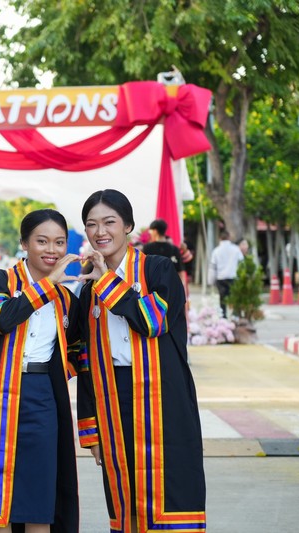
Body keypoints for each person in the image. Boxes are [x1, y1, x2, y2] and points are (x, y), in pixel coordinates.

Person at [77, 189, 205, 533]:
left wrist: (105, 282)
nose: (100, 231)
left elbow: (152, 322)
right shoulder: (88, 285)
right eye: (91, 224)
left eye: (109, 222)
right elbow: (83, 359)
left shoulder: (157, 269)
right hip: (112, 399)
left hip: (164, 398)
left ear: (129, 226)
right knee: (125, 496)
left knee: (172, 493)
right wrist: (90, 429)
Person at [0, 209, 81, 533]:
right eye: (42, 241)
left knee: (39, 500)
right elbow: (1, 320)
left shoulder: (67, 298)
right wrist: (48, 285)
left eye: (59, 242)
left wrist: (56, 373)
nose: (52, 250)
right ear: (24, 243)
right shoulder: (0, 280)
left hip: (43, 397)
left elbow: (79, 349)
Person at [208, 230, 244, 318]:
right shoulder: (236, 249)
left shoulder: (216, 251)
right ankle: (235, 317)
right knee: (234, 299)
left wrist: (210, 281)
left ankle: (223, 318)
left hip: (221, 278)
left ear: (220, 238)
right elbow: (242, 263)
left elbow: (213, 267)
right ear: (229, 237)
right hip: (233, 278)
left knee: (222, 300)